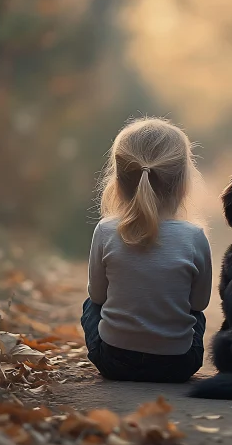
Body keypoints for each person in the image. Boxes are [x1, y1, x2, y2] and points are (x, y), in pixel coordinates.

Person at [81, 117, 212, 383]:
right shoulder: (195, 237)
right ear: (184, 183)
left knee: (90, 306)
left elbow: (97, 295)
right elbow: (199, 304)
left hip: (113, 362)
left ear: (118, 182)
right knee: (193, 315)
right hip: (179, 365)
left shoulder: (106, 230)